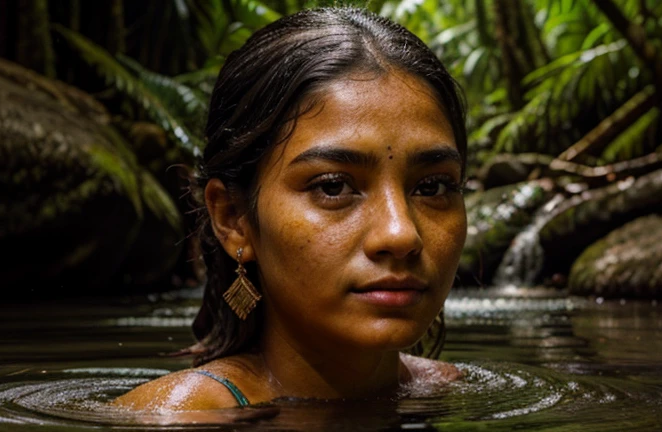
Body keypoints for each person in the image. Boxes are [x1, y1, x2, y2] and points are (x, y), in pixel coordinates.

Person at [114, 6, 468, 411]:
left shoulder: (444, 388)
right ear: (233, 219)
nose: (401, 233)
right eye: (333, 187)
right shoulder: (182, 416)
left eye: (433, 186)